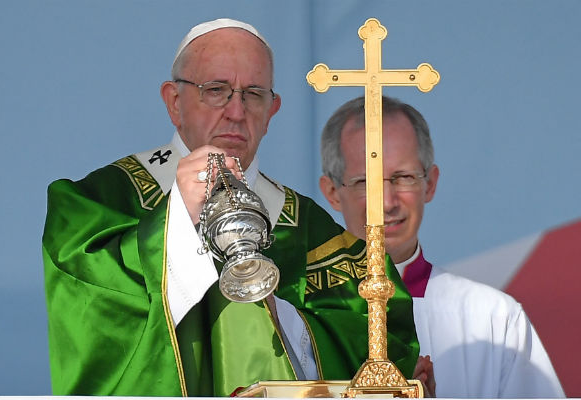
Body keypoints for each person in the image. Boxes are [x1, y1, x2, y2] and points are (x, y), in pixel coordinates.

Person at [42, 20, 429, 396]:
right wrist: (178, 221)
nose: (236, 111)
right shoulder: (101, 201)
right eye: (216, 90)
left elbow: (379, 338)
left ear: (272, 111)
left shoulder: (306, 224)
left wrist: (280, 320)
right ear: (174, 102)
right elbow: (88, 311)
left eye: (254, 93)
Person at [319, 95, 566, 398]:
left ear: (430, 184)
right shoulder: (297, 317)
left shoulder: (493, 320)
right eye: (366, 182)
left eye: (404, 177)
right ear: (332, 192)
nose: (387, 202)